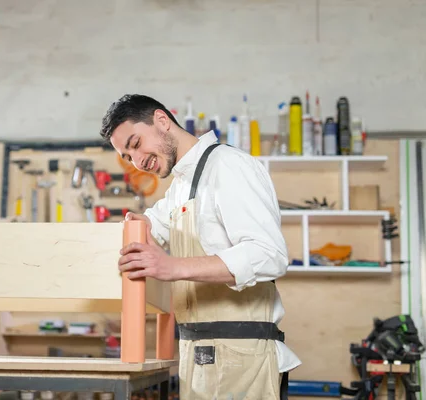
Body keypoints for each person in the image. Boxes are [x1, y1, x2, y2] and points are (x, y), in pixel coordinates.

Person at [99, 94, 301, 399]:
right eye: (127, 157)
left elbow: (269, 254)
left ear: (162, 121)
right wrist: (136, 228)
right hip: (197, 355)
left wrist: (172, 267)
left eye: (136, 144)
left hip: (242, 358)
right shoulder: (181, 187)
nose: (138, 162)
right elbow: (153, 224)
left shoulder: (228, 167)